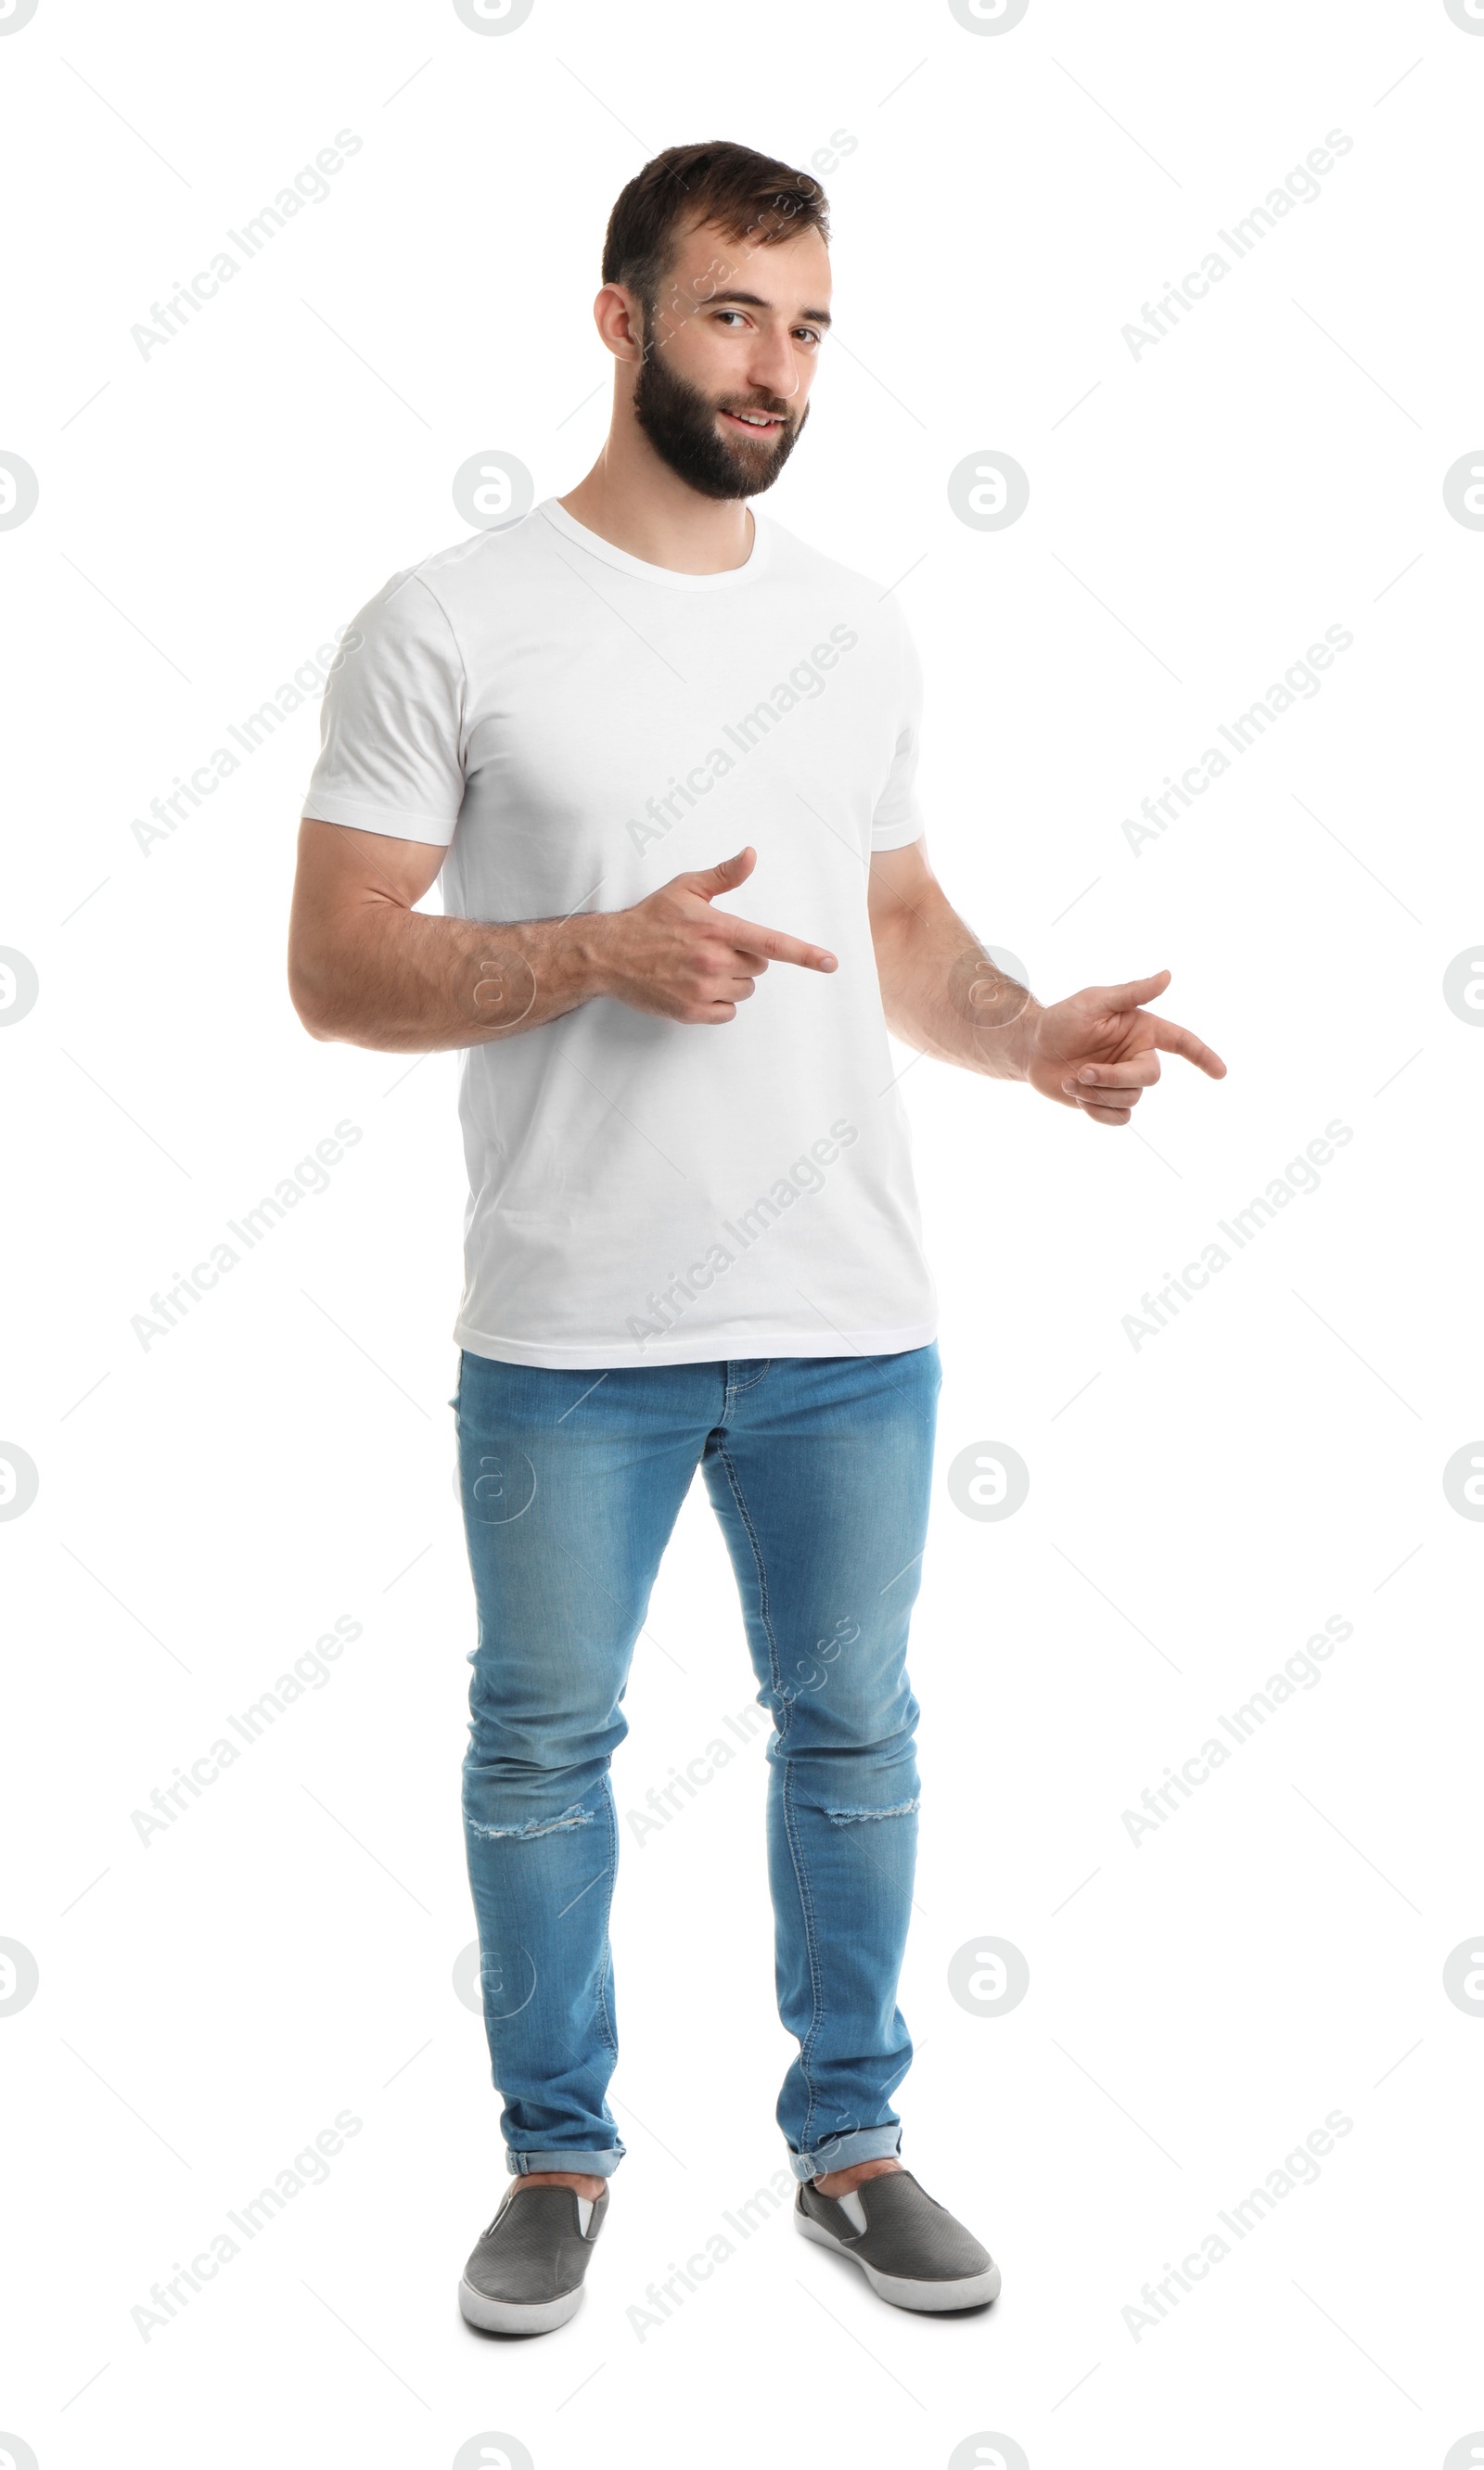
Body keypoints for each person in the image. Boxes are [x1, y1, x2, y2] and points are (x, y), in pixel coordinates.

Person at [288, 138, 1224, 2337]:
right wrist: (593, 950)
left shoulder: (851, 625)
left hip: (845, 1318)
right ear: (618, 321)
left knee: (856, 1736)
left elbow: (891, 923)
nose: (774, 365)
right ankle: (556, 2160)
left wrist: (1024, 1031)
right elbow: (337, 971)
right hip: (564, 1330)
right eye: (731, 312)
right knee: (539, 1746)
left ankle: (851, 2147)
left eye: (806, 325)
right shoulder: (448, 621)